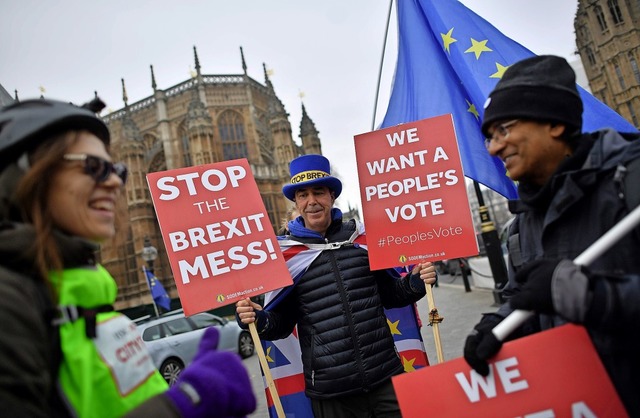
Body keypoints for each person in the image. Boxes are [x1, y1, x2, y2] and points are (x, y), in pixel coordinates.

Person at [0, 98, 256, 418]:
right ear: (27, 175)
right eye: (92, 167)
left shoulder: (87, 288)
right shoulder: (9, 301)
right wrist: (184, 402)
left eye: (116, 169)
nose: (113, 182)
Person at [463, 55, 640, 416]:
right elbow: (525, 298)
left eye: (505, 129)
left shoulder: (630, 183)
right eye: (489, 137)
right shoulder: (521, 224)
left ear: (555, 124)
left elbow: (567, 292)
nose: (494, 148)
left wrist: (589, 296)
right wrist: (499, 326)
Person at [236, 154, 437, 417]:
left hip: (385, 378)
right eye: (303, 195)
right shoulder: (287, 256)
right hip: (332, 393)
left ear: (331, 195)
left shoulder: (360, 240)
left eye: (318, 192)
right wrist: (255, 319)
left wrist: (416, 281)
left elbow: (391, 295)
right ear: (296, 202)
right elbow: (281, 325)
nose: (311, 202)